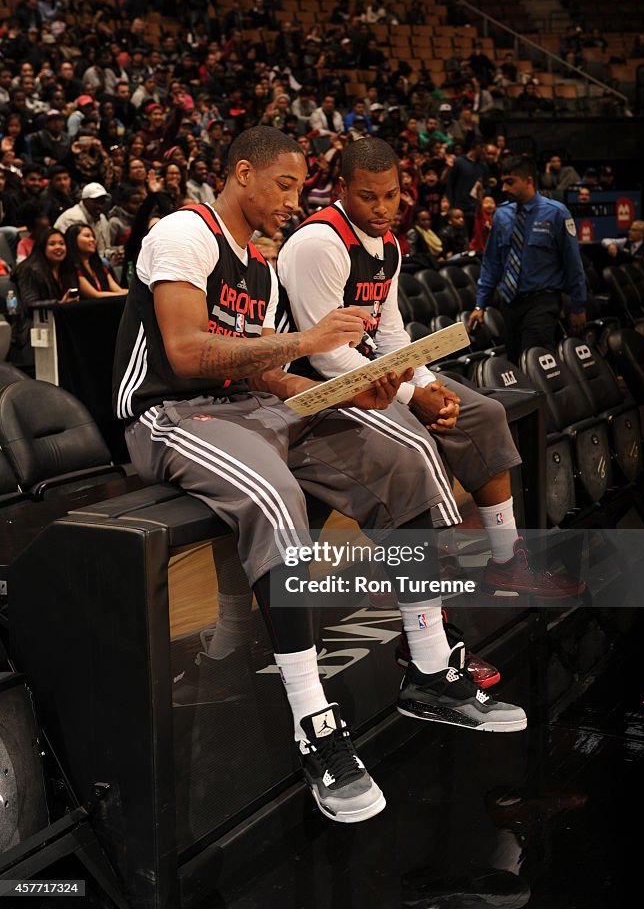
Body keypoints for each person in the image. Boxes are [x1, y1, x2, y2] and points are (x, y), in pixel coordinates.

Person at [111, 126, 527, 825]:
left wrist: (343, 388)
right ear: (242, 173)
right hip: (170, 415)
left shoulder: (259, 262)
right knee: (277, 496)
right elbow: (184, 353)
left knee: (401, 458)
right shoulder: (184, 233)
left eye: (300, 187)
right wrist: (307, 344)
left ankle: (428, 667)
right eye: (284, 185)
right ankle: (315, 724)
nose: (294, 199)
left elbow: (260, 367)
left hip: (248, 407)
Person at [278, 137, 584, 608]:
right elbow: (326, 357)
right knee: (414, 443)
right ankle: (431, 589)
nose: (382, 208)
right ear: (342, 189)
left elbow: (392, 332)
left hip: (375, 374)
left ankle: (507, 561)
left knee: (482, 413)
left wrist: (426, 383)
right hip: (322, 390)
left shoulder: (389, 245)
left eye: (392, 195)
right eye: (367, 197)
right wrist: (409, 398)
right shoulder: (319, 243)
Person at [469, 155, 587, 364]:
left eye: (510, 182)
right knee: (515, 362)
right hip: (510, 303)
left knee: (536, 361)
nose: (503, 187)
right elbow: (491, 264)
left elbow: (573, 263)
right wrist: (480, 305)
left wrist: (578, 307)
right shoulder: (502, 215)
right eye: (503, 181)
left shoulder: (556, 213)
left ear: (529, 181)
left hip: (543, 300)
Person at [10, 228, 78, 367]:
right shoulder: (30, 269)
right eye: (52, 244)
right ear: (42, 247)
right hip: (32, 329)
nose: (58, 247)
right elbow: (30, 303)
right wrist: (59, 303)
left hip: (58, 323)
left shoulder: (66, 269)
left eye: (61, 243)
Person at [65, 222, 128, 298]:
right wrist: (127, 295)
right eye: (87, 236)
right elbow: (95, 295)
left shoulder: (99, 265)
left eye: (93, 237)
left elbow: (118, 290)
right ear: (74, 240)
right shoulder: (71, 268)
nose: (92, 240)